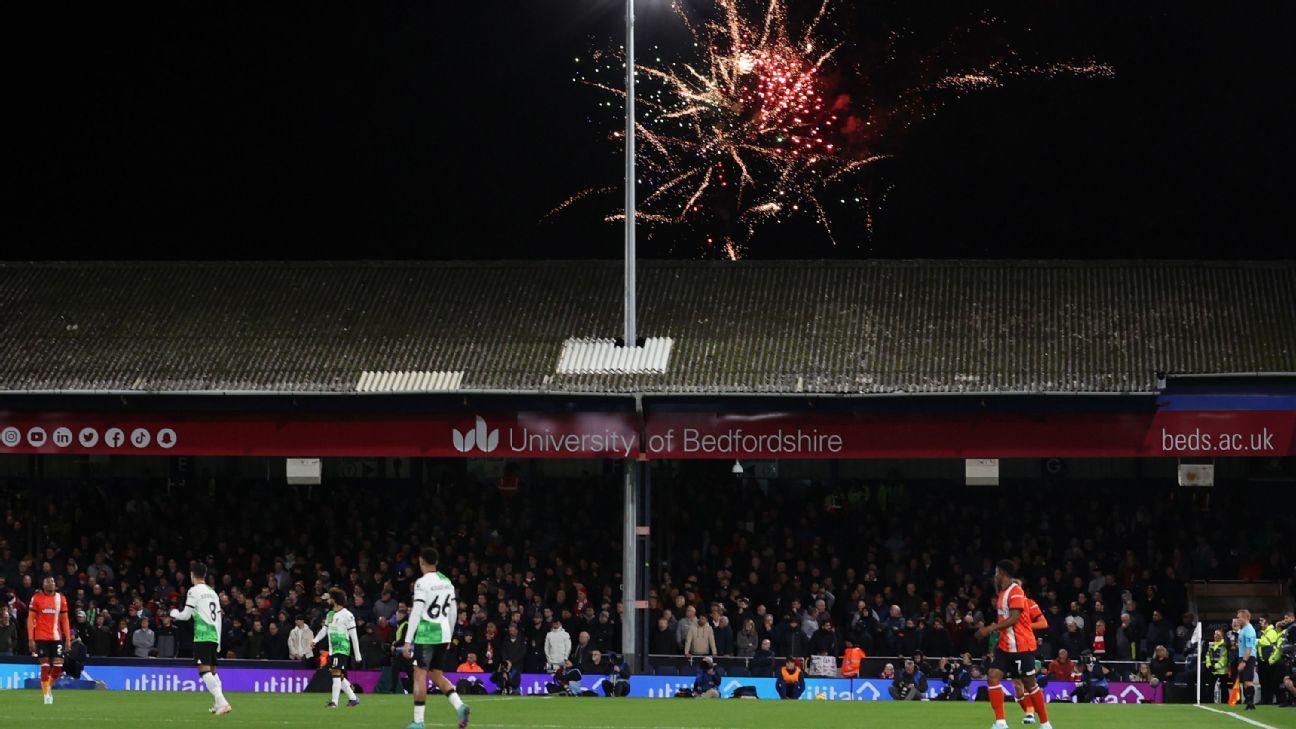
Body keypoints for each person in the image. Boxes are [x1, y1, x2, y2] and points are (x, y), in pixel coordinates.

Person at [975, 560, 1051, 729]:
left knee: (1030, 684)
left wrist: (990, 628)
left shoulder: (1016, 591)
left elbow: (1014, 618)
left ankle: (1045, 724)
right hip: (1006, 647)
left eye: (996, 572)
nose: (994, 576)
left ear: (1002, 573)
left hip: (1021, 646)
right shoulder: (1003, 593)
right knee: (993, 676)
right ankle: (1001, 722)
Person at [402, 547, 470, 729]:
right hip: (443, 632)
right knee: (436, 674)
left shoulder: (422, 583)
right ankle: (460, 705)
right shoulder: (447, 582)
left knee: (419, 674)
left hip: (427, 633)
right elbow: (453, 611)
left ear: (421, 561)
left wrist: (408, 640)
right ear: (437, 562)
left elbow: (416, 612)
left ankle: (418, 721)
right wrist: (449, 634)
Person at [169, 562, 231, 715]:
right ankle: (218, 704)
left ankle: (222, 701)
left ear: (192, 575)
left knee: (204, 671)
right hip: (214, 635)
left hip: (202, 635)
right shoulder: (212, 592)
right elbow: (218, 618)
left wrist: (174, 613)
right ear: (204, 575)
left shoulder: (194, 591)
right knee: (213, 672)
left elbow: (186, 615)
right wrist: (218, 641)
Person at [315, 587, 363, 709]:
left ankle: (334, 702)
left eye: (331, 597)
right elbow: (324, 630)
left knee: (335, 673)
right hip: (332, 649)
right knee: (338, 675)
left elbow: (354, 636)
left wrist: (357, 654)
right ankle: (353, 698)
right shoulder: (330, 614)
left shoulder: (348, 615)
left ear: (335, 600)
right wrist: (314, 640)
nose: (329, 600)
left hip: (342, 648)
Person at [27, 575, 72, 705]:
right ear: (43, 585)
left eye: (52, 581)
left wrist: (68, 638)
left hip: (56, 637)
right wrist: (31, 639)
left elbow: (65, 620)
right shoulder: (36, 598)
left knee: (58, 667)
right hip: (41, 637)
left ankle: (47, 687)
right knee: (45, 666)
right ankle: (46, 696)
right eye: (48, 582)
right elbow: (30, 619)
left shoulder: (61, 598)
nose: (51, 583)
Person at [1237, 608, 1258, 710]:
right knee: (1244, 682)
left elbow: (1249, 647)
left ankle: (1250, 703)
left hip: (1248, 657)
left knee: (1248, 681)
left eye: (1239, 617)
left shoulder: (1249, 629)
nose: (1238, 620)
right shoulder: (1243, 629)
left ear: (1245, 617)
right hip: (1243, 656)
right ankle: (1248, 702)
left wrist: (1244, 661)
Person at [1204, 629, 1230, 703]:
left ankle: (1225, 702)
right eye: (1215, 634)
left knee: (1224, 687)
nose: (1215, 636)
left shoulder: (1224, 646)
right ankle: (1210, 702)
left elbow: (1224, 658)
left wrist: (1215, 666)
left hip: (1222, 671)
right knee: (1210, 687)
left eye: (1217, 634)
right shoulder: (1211, 645)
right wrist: (1209, 665)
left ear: (1222, 636)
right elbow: (1207, 656)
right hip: (1212, 671)